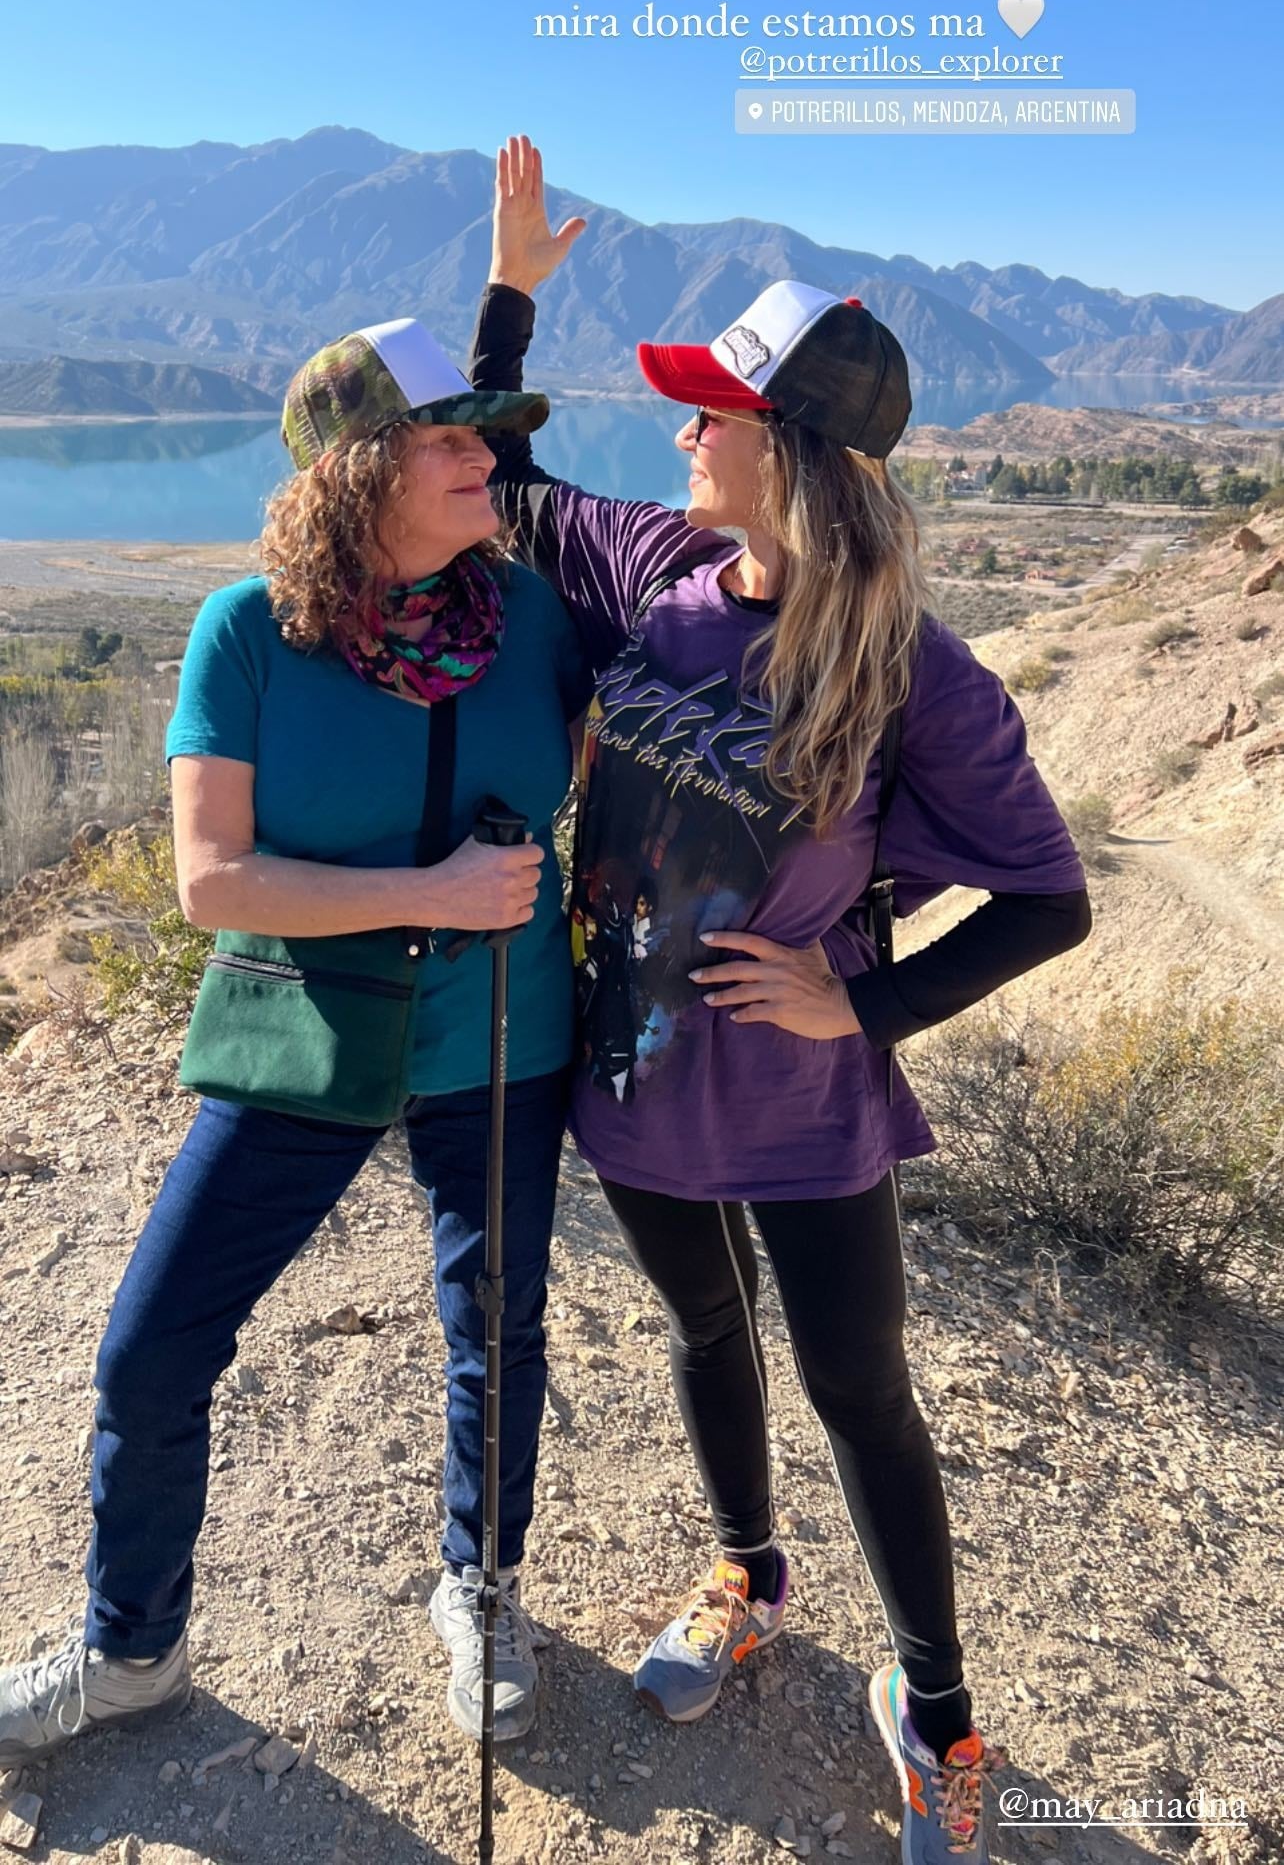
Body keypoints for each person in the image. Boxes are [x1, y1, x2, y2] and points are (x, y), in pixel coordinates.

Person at [468, 136, 1093, 1864]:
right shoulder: (651, 577)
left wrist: (859, 1006)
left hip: (808, 1109)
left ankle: (939, 1712)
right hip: (634, 1078)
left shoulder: (909, 670)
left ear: (790, 453)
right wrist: (510, 289)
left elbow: (1051, 896)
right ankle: (747, 1571)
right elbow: (496, 473)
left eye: (710, 411)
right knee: (697, 1330)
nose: (679, 432)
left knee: (859, 1387)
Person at [0, 311, 593, 1769]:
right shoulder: (247, 632)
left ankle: (484, 1581)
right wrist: (432, 891)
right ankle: (132, 1646)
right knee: (151, 1348)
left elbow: (584, 776)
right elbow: (210, 878)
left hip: (500, 1034)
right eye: (452, 438)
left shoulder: (533, 622)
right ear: (358, 472)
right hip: (307, 1031)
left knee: (496, 1330)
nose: (487, 458)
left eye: (484, 431)